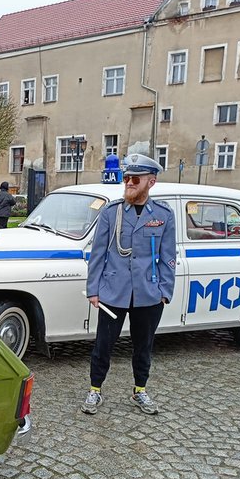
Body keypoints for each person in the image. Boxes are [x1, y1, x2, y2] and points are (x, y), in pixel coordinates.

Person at [82, 153, 176, 416]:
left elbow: (169, 257)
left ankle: (140, 390)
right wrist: (94, 289)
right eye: (126, 179)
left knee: (143, 346)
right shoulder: (112, 213)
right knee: (103, 344)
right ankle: (95, 389)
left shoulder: (164, 214)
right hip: (114, 291)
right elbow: (98, 253)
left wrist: (165, 292)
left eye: (135, 179)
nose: (129, 183)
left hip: (148, 293)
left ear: (151, 182)